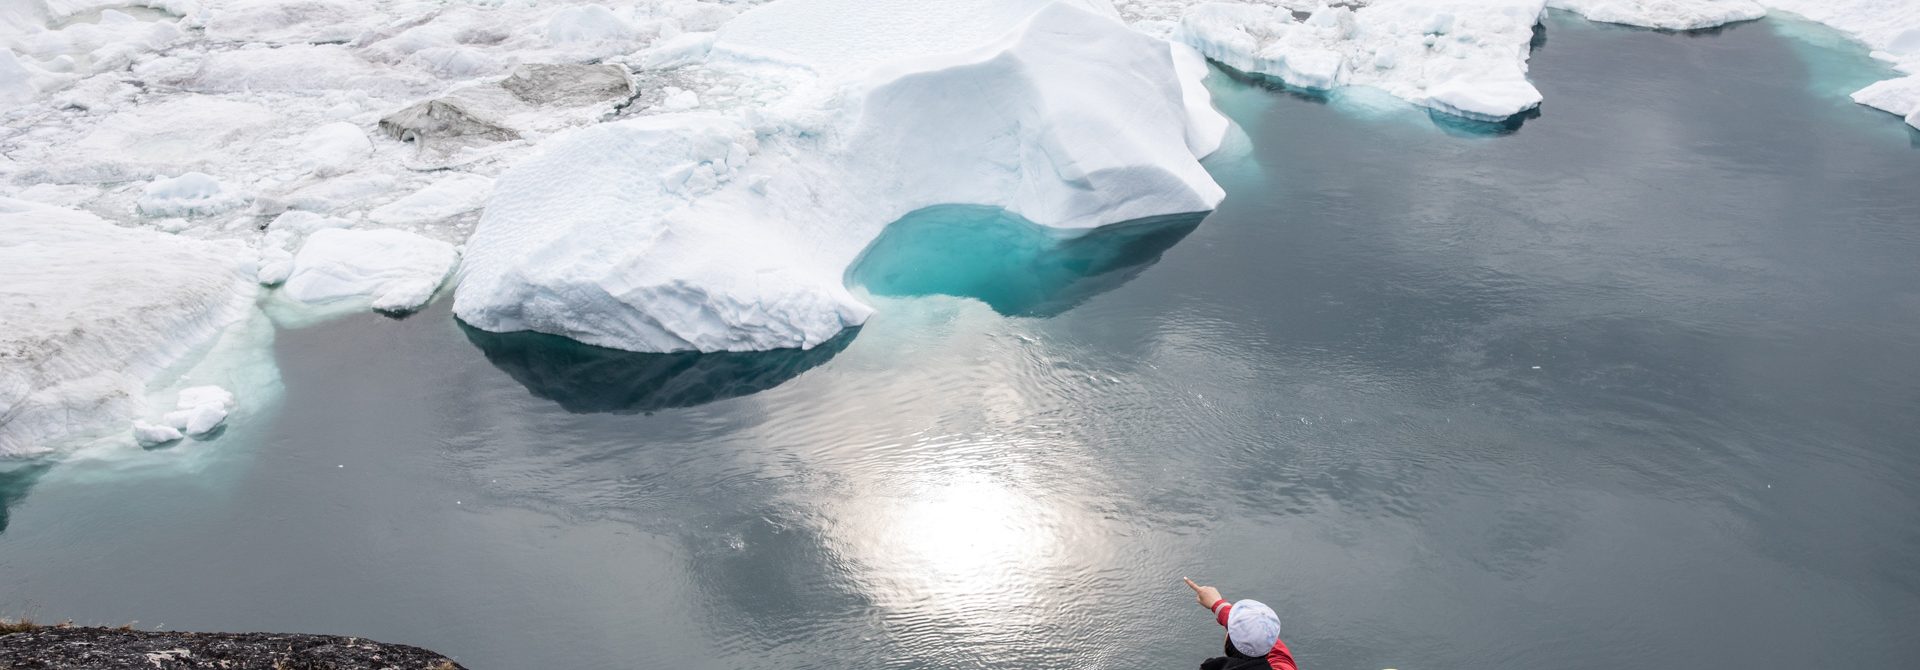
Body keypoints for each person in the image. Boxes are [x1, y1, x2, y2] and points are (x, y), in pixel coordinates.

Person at [1183, 577, 1297, 670]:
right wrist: (1219, 606)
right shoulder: (1282, 666)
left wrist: (1218, 605)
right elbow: (1273, 648)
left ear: (1228, 641)